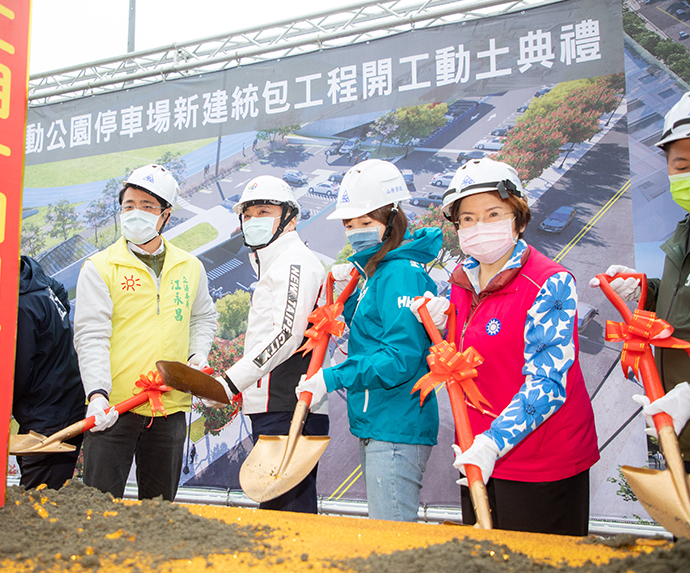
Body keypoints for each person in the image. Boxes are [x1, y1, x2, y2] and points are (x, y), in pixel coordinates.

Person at [414, 157, 599, 536]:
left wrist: (493, 443)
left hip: (541, 463)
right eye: (467, 218)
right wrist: (443, 319)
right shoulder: (462, 279)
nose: (478, 226)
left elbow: (548, 383)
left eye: (492, 213)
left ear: (518, 216)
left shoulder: (550, 282)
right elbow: (469, 355)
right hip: (476, 454)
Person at [296, 159, 442, 522]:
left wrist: (331, 378)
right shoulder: (379, 272)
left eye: (366, 222)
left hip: (396, 426)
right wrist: (348, 327)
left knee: (392, 544)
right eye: (350, 224)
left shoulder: (399, 275)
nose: (356, 231)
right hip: (379, 423)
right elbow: (378, 337)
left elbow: (400, 358)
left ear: (392, 220)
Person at [74, 164, 218, 501]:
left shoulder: (189, 267)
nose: (135, 213)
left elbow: (203, 318)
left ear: (166, 215)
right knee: (99, 507)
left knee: (158, 510)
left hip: (170, 408)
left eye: (147, 206)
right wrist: (97, 395)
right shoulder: (100, 268)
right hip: (114, 409)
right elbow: (90, 335)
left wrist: (197, 358)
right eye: (128, 205)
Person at [207, 175, 326, 513]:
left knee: (289, 518)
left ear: (290, 217)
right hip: (275, 407)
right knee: (276, 514)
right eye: (247, 214)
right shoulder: (273, 263)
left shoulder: (295, 261)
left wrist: (229, 383)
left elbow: (286, 334)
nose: (253, 221)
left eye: (264, 211)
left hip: (291, 406)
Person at [591, 93, 690, 471]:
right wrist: (644, 289)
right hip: (681, 440)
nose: (687, 171)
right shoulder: (685, 230)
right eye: (681, 163)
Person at [13, 256, 86, 490]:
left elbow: (20, 371)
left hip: (46, 413)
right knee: (53, 488)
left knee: (39, 496)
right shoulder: (40, 280)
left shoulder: (23, 304)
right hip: (64, 401)